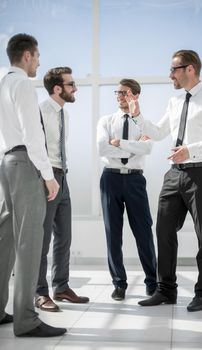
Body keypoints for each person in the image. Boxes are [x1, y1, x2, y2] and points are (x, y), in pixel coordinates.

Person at [137, 50, 202, 312]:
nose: (170, 74)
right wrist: (137, 115)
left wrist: (190, 150)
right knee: (163, 230)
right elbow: (160, 132)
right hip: (174, 174)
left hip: (201, 173)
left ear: (190, 69)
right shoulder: (174, 102)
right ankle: (166, 290)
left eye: (174, 69)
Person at [0, 33, 66, 337]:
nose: (39, 62)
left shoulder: (0, 81)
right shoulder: (22, 84)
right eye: (37, 56)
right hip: (26, 163)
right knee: (28, 242)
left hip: (5, 163)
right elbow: (32, 135)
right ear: (27, 55)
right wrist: (48, 176)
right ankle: (26, 319)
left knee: (5, 240)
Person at [97, 78, 157, 301]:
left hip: (135, 180)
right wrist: (133, 146)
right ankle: (119, 284)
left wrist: (117, 143)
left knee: (144, 231)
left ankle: (152, 282)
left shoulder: (144, 124)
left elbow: (148, 147)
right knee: (113, 233)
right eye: (118, 92)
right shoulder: (105, 121)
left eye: (126, 93)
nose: (121, 96)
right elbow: (101, 147)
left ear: (136, 96)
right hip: (110, 179)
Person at [35, 67, 89, 312]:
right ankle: (39, 292)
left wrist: (60, 177)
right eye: (71, 85)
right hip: (46, 178)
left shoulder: (64, 114)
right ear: (57, 88)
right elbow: (36, 149)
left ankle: (61, 287)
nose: (75, 88)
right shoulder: (40, 111)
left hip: (63, 176)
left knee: (64, 237)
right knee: (42, 239)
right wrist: (48, 178)